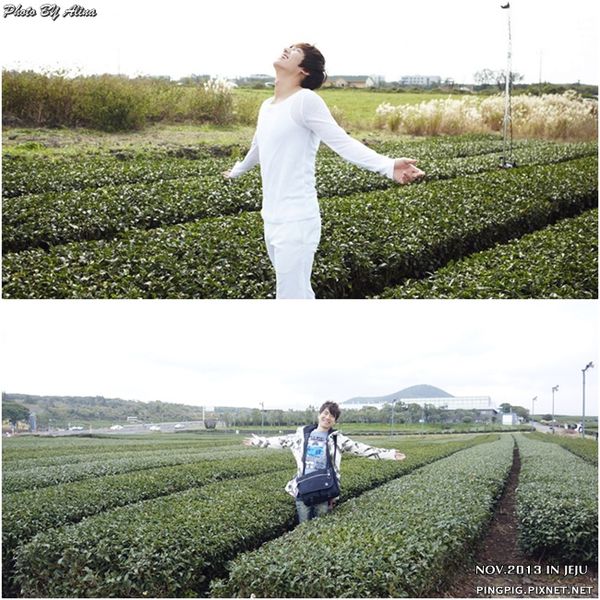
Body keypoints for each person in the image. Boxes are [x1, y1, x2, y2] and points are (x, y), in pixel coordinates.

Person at [223, 43, 425, 299]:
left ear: (304, 70)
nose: (287, 49)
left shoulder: (305, 101)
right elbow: (258, 147)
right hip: (271, 218)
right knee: (296, 294)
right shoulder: (267, 106)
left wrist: (387, 166)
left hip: (296, 220)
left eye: (295, 50)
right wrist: (236, 172)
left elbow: (342, 142)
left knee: (289, 297)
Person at [243, 401, 406, 523]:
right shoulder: (301, 436)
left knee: (320, 529)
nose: (328, 417)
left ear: (335, 421)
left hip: (324, 490)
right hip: (303, 489)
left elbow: (361, 448)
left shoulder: (337, 439)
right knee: (303, 529)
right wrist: (257, 442)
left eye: (332, 416)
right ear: (319, 414)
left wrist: (389, 454)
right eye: (326, 413)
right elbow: (279, 441)